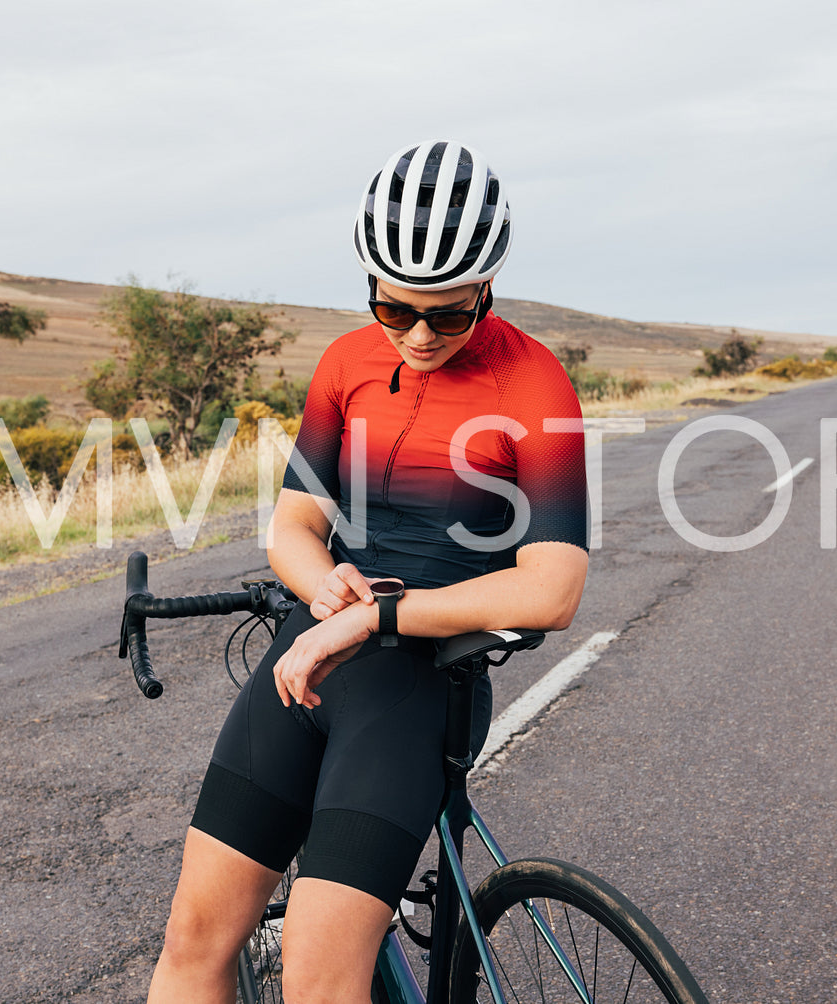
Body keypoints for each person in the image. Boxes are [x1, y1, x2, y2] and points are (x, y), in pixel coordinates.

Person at [148, 140, 590, 1004]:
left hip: (418, 688)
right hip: (303, 663)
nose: (419, 335)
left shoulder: (534, 385)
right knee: (193, 938)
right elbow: (294, 526)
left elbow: (552, 588)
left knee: (318, 980)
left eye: (448, 315)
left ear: (487, 288)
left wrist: (374, 619)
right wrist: (321, 587)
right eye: (395, 310)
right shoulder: (346, 365)